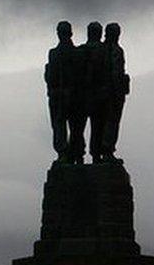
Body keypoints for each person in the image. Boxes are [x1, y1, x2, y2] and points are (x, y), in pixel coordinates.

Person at [44, 21, 85, 163]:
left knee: (70, 127)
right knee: (69, 127)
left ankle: (71, 154)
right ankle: (71, 154)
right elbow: (50, 76)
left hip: (69, 95)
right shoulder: (71, 53)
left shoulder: (59, 53)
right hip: (63, 95)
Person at [80, 21, 110, 163]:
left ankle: (77, 155)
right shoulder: (105, 51)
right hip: (98, 95)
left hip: (84, 95)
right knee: (97, 127)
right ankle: (96, 155)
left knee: (78, 128)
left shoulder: (80, 50)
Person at [101, 22, 130, 163]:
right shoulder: (116, 51)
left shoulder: (103, 49)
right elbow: (116, 73)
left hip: (105, 92)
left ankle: (103, 152)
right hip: (113, 93)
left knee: (101, 124)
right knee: (111, 122)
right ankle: (107, 151)